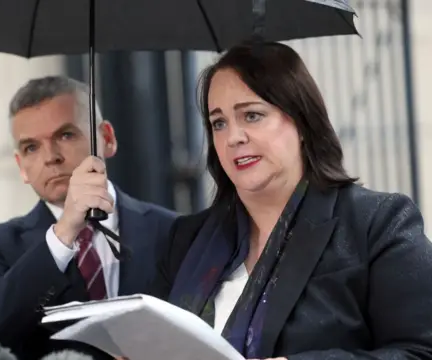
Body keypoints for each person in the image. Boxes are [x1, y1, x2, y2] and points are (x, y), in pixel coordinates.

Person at [151, 41, 432, 360]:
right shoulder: (187, 240)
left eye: (252, 116)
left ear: (301, 121)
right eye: (219, 123)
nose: (233, 137)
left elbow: (421, 351)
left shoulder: (376, 224)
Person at [0, 76, 178, 360]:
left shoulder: (172, 231)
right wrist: (64, 231)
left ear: (108, 139)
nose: (50, 157)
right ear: (22, 167)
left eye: (65, 135)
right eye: (31, 147)